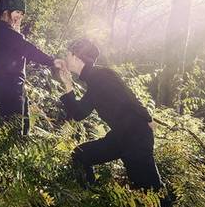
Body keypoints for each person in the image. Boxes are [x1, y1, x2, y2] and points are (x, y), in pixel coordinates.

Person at [57, 38, 163, 191]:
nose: (66, 58)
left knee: (149, 189)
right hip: (121, 136)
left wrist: (147, 118)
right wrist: (67, 84)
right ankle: (88, 199)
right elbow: (79, 114)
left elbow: (129, 96)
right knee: (81, 155)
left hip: (136, 135)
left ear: (76, 57)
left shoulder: (101, 76)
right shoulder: (94, 80)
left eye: (68, 54)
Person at [0, 0, 64, 135]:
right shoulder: (0, 29)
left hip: (15, 87)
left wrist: (17, 31)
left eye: (22, 14)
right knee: (12, 133)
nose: (20, 17)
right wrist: (52, 61)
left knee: (23, 129)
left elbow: (18, 51)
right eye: (17, 12)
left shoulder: (3, 30)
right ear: (6, 11)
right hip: (9, 88)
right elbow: (26, 48)